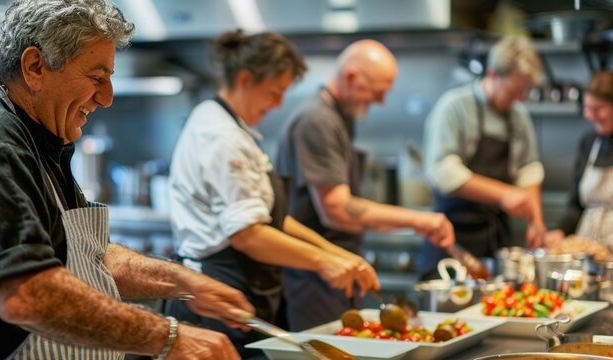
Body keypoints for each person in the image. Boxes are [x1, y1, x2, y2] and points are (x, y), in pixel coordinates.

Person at [0, 1, 254, 359]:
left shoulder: (36, 139)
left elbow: (89, 259)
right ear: (35, 66)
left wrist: (185, 283)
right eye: (96, 77)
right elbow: (27, 295)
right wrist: (170, 338)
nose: (106, 97)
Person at [165, 29, 380, 358]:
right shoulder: (221, 136)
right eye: (275, 92)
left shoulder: (234, 129)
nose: (278, 103)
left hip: (241, 293)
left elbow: (270, 220)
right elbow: (247, 235)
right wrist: (322, 262)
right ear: (245, 79)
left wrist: (336, 254)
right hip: (214, 300)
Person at [275, 39, 455, 331]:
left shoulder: (339, 117)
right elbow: (338, 209)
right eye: (377, 92)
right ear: (351, 77)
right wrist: (417, 220)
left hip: (336, 270)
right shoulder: (317, 120)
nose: (381, 101)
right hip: (313, 277)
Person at [419, 36, 547, 278]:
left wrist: (536, 222)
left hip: (496, 240)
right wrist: (504, 194)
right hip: (451, 238)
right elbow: (443, 172)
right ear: (491, 74)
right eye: (513, 90)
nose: (519, 98)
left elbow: (529, 169)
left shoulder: (518, 116)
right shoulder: (454, 107)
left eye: (524, 91)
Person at [545, 70, 613, 258]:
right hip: (587, 252)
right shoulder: (588, 142)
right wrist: (558, 231)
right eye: (587, 108)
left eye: (598, 108)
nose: (590, 115)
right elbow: (576, 206)